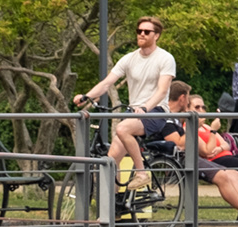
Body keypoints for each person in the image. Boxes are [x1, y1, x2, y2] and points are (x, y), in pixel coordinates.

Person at [71, 17, 176, 193]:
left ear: (156, 35)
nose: (141, 34)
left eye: (146, 32)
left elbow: (162, 91)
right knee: (110, 163)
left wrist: (145, 108)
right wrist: (86, 96)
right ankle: (114, 211)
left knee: (122, 128)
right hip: (134, 111)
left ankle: (142, 173)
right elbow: (107, 82)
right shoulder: (129, 58)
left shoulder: (165, 58)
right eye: (139, 31)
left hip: (155, 111)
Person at [158, 84, 238, 222]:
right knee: (228, 175)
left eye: (203, 107)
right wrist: (206, 129)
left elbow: (225, 145)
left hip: (201, 156)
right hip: (187, 159)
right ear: (182, 98)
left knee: (237, 171)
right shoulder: (172, 119)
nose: (202, 110)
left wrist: (218, 143)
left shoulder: (179, 119)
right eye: (196, 107)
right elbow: (181, 144)